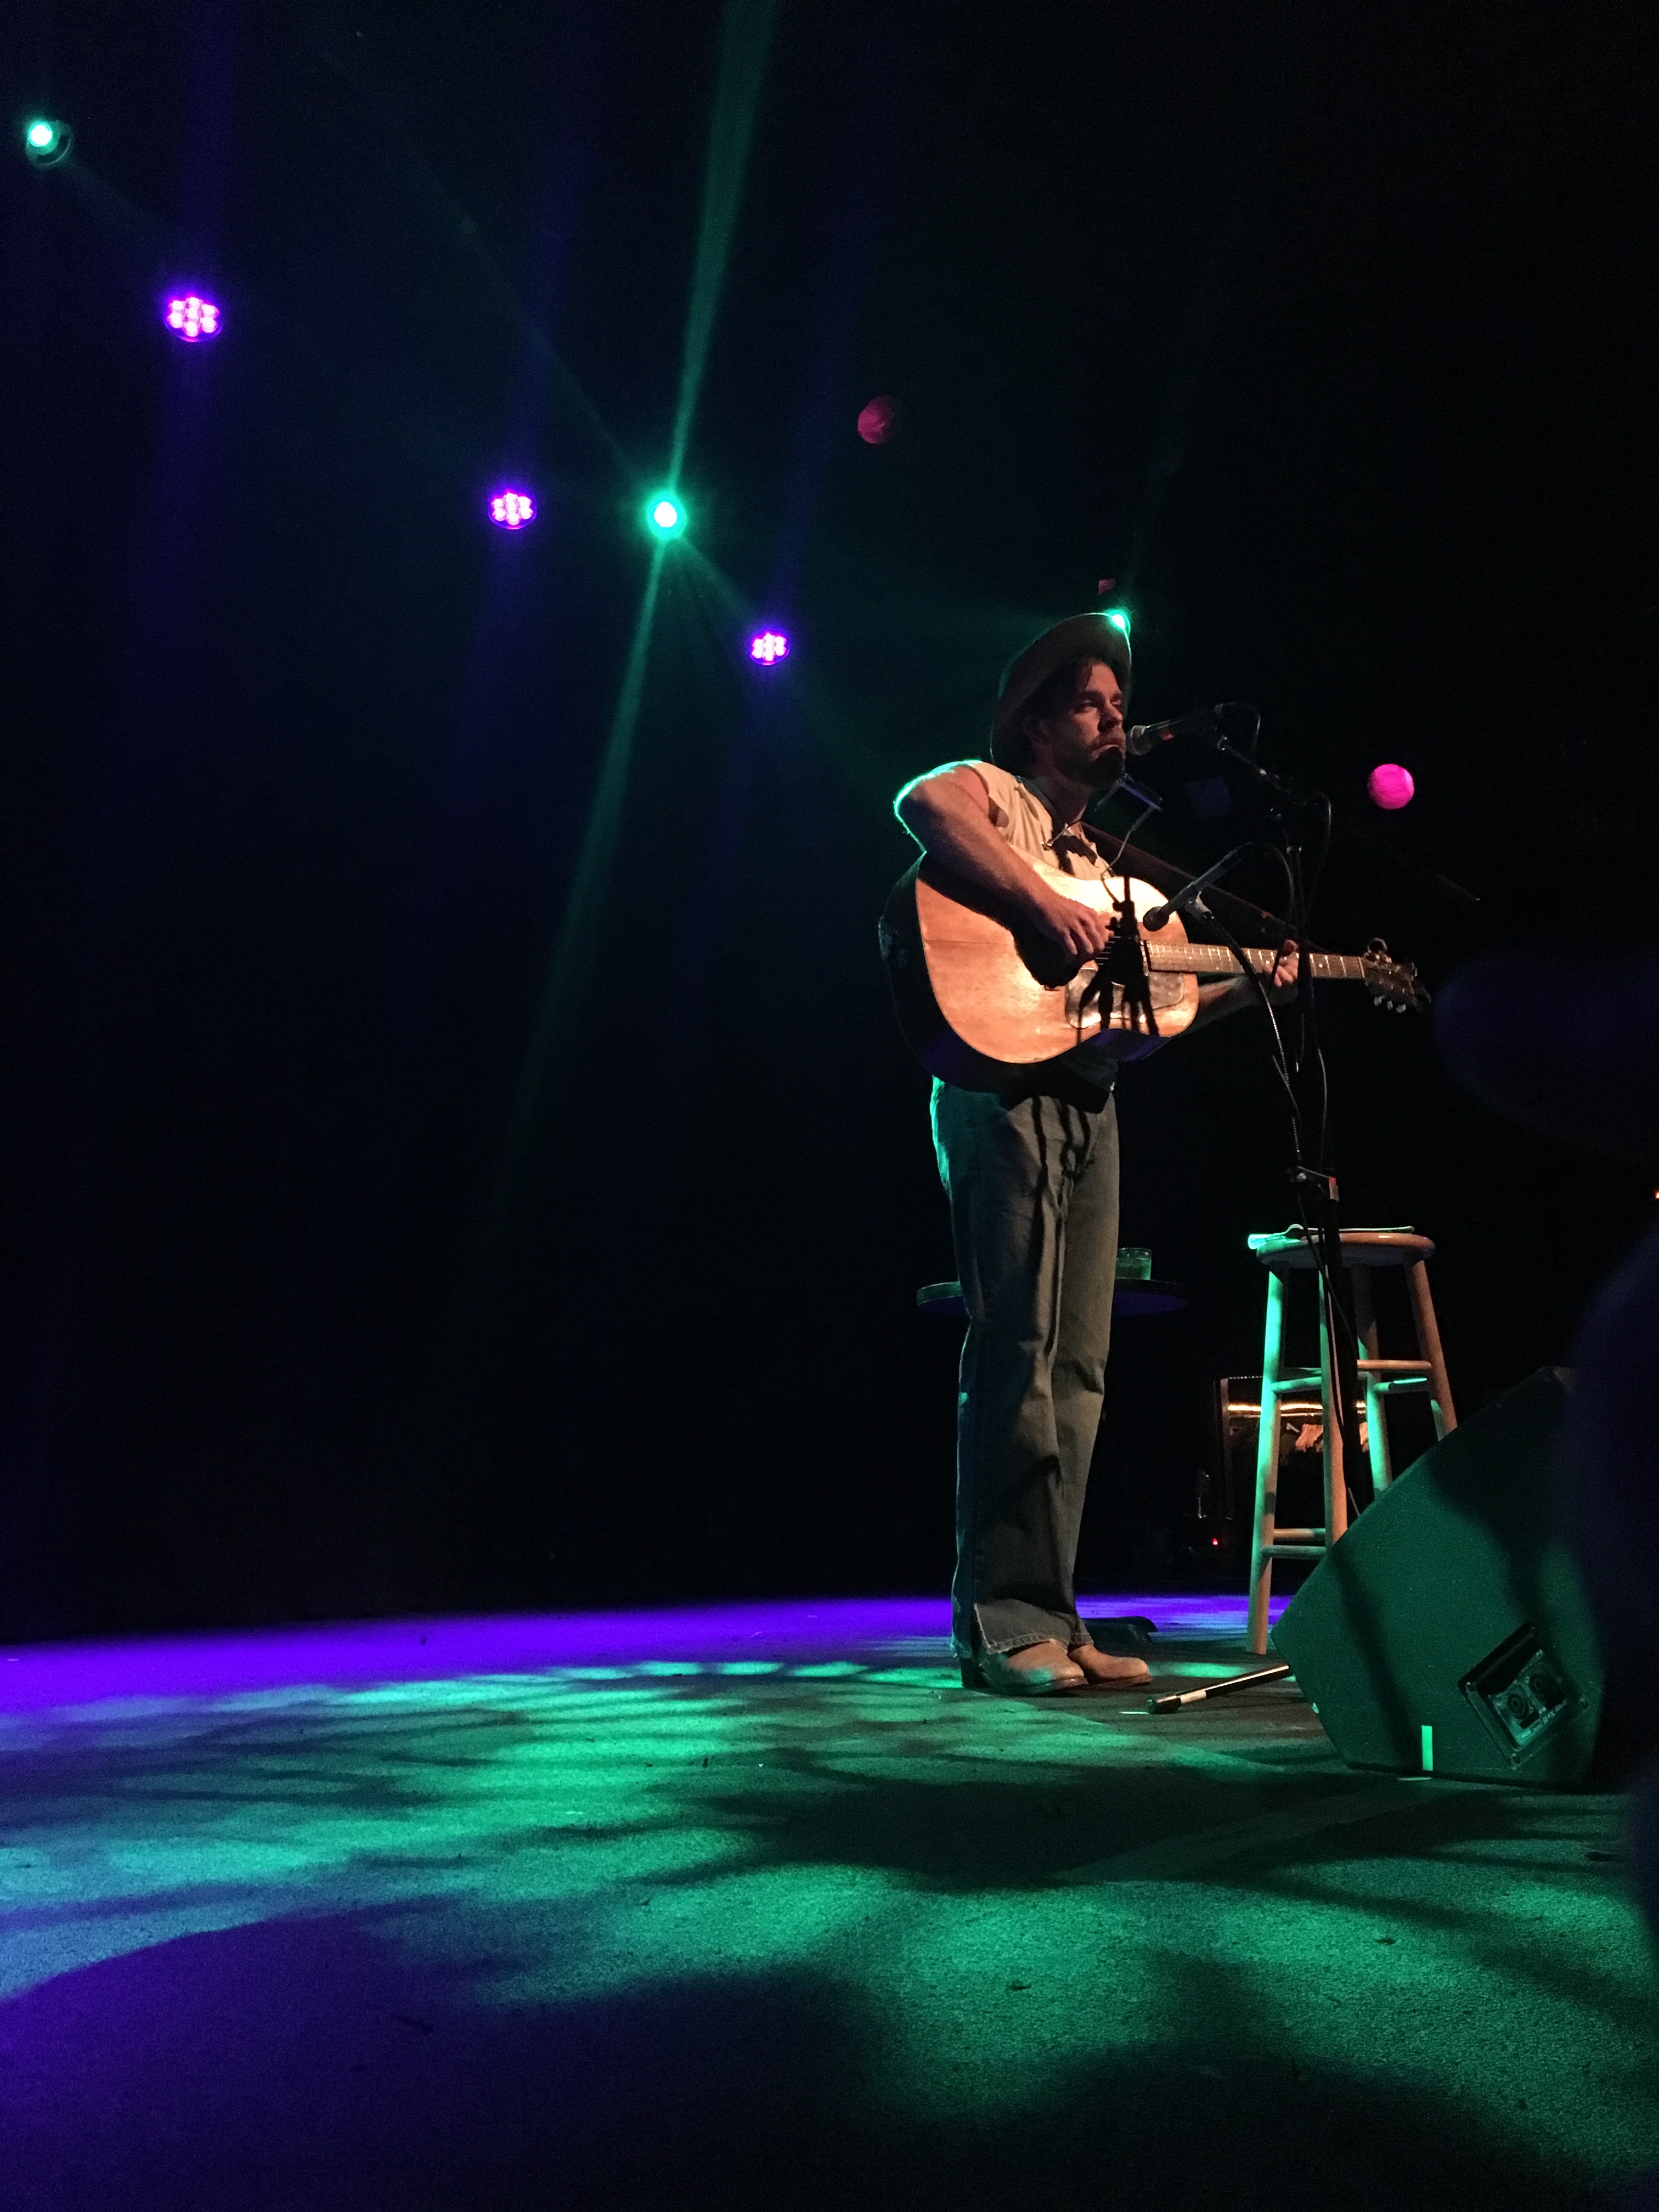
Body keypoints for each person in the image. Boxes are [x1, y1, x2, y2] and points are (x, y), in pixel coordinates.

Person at [895, 613, 1297, 1696]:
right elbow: (922, 802)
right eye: (1090, 704)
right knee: (1017, 1354)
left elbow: (1147, 1017)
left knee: (1078, 1367)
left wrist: (1252, 985)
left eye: (1121, 706)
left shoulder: (1105, 868)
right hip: (999, 1090)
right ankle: (1002, 1625)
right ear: (1036, 725)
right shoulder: (997, 796)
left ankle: (1053, 1614)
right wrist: (1033, 900)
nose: (1115, 721)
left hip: (1087, 1097)